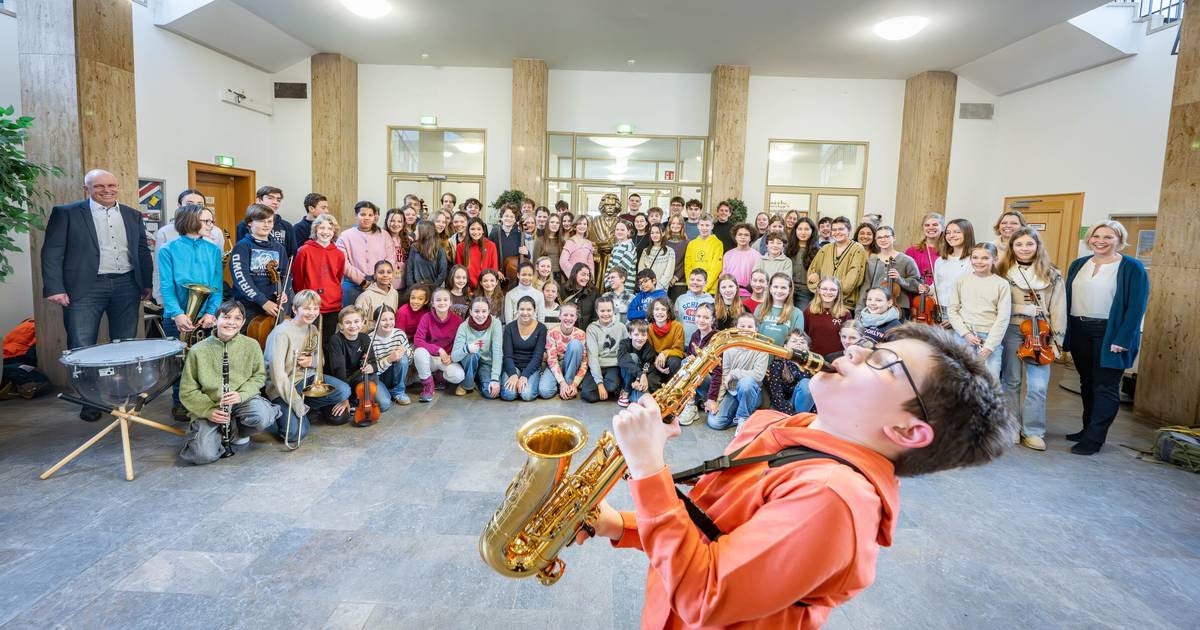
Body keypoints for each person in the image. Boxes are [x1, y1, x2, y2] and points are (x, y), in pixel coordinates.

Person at [580, 322, 1012, 628]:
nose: (856, 350)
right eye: (871, 343)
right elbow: (712, 530)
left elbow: (705, 592)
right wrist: (621, 525)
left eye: (882, 362)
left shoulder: (833, 498)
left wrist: (649, 469)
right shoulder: (785, 426)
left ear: (907, 431)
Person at [41, 170, 155, 386]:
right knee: (82, 345)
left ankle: (120, 391)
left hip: (127, 285)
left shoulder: (132, 215)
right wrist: (55, 287)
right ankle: (88, 398)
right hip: (85, 288)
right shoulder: (67, 213)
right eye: (99, 186)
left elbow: (141, 250)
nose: (107, 190)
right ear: (87, 189)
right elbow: (52, 252)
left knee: (125, 343)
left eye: (112, 185)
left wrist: (146, 283)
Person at [1063, 221, 1149, 456]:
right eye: (1096, 236)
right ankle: (1086, 429)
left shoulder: (1131, 267)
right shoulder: (1079, 264)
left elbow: (1136, 307)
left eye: (1108, 237)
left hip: (1110, 333)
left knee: (1105, 385)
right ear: (1089, 238)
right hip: (1079, 328)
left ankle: (1095, 438)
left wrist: (1123, 338)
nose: (1100, 241)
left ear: (1119, 240)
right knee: (1087, 382)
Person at [178, 301, 278, 464]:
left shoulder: (251, 345)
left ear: (243, 322)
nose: (232, 322)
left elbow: (259, 377)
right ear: (216, 320)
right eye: (226, 317)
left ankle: (234, 432)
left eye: (237, 318)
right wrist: (208, 410)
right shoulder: (198, 350)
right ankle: (217, 433)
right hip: (211, 404)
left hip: (240, 400)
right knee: (202, 455)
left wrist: (241, 395)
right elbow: (187, 390)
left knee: (263, 415)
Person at [998, 227, 1066, 452]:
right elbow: (996, 303)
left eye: (1029, 244)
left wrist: (1057, 341)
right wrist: (1022, 308)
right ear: (1012, 247)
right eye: (1019, 244)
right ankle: (1011, 427)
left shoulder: (1052, 273)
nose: (1024, 249)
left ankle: (1034, 431)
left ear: (1037, 246)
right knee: (1011, 382)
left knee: (1037, 385)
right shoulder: (1002, 271)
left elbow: (1058, 308)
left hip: (1041, 332)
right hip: (1011, 330)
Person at [158, 204, 223, 418]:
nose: (211, 225)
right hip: (177, 316)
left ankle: (204, 400)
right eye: (206, 221)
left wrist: (212, 312)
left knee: (204, 361)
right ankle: (180, 403)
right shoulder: (168, 249)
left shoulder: (213, 249)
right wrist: (177, 313)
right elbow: (166, 286)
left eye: (211, 221)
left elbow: (216, 284)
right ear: (189, 221)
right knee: (180, 363)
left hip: (205, 316)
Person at [265, 290, 352, 442]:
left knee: (344, 390)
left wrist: (311, 362)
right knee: (294, 434)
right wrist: (296, 403)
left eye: (315, 308)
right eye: (306, 308)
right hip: (282, 387)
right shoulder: (281, 333)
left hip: (306, 380)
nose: (312, 313)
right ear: (294, 309)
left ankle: (307, 405)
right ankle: (286, 409)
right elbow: (278, 376)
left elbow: (321, 361)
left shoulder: (313, 329)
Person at [946, 243, 1010, 379]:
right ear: (970, 259)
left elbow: (1003, 318)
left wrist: (989, 347)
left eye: (985, 258)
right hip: (964, 337)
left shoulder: (1002, 284)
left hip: (990, 339)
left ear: (995, 260)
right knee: (962, 381)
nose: (979, 262)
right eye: (975, 257)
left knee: (990, 381)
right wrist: (965, 334)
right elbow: (952, 310)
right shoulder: (961, 280)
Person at [152, 189, 224, 305]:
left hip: (205, 301)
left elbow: (217, 272)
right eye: (189, 204)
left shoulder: (215, 232)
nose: (195, 208)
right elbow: (159, 271)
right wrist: (160, 298)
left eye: (200, 205)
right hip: (177, 300)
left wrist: (212, 309)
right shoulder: (165, 234)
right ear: (179, 206)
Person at [705, 312, 770, 432]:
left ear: (756, 329)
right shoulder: (729, 347)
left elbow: (759, 375)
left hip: (751, 391)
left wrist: (734, 373)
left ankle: (743, 418)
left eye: (750, 327)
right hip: (732, 392)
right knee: (714, 422)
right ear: (736, 328)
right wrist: (717, 401)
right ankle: (741, 415)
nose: (746, 330)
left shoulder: (762, 348)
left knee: (746, 383)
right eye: (742, 326)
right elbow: (724, 375)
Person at [291, 214, 346, 349]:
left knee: (327, 342)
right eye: (322, 228)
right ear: (315, 230)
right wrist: (304, 299)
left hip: (332, 305)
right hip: (310, 305)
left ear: (334, 232)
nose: (326, 232)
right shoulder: (304, 251)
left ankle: (324, 370)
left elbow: (338, 277)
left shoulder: (339, 254)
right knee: (308, 341)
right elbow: (297, 279)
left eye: (329, 228)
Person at [230, 204, 290, 325]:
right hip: (248, 306)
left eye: (269, 221)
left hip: (274, 305)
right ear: (250, 223)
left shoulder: (279, 248)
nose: (267, 225)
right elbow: (242, 279)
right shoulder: (242, 247)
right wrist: (262, 301)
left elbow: (285, 275)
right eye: (262, 221)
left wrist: (284, 292)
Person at [326, 305, 385, 418]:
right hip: (341, 381)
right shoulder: (336, 340)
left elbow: (373, 362)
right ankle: (353, 400)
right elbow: (339, 369)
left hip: (359, 380)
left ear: (363, 322)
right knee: (339, 418)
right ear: (341, 325)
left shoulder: (365, 338)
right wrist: (344, 397)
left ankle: (358, 401)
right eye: (348, 322)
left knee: (384, 404)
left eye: (356, 321)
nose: (353, 326)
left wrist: (372, 367)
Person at [413, 288, 467, 402]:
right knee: (419, 352)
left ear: (450, 303)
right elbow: (418, 340)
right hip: (431, 358)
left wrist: (452, 357)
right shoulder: (426, 317)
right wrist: (439, 350)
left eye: (445, 300)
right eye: (438, 300)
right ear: (433, 303)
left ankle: (440, 376)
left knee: (458, 376)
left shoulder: (457, 321)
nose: (442, 302)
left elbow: (461, 343)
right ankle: (428, 386)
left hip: (447, 359)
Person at [858, 226, 920, 320]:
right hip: (874, 309)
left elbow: (918, 286)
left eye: (887, 236)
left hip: (899, 309)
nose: (883, 240)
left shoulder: (907, 260)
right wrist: (859, 312)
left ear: (894, 238)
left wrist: (900, 279)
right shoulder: (872, 261)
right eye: (880, 237)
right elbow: (865, 286)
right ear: (875, 239)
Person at [807, 216, 867, 310]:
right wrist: (823, 292)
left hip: (845, 304)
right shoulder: (825, 249)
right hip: (822, 303)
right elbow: (812, 273)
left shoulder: (857, 249)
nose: (837, 232)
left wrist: (830, 293)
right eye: (834, 229)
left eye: (841, 229)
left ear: (849, 230)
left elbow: (853, 278)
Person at [337, 201, 390, 306]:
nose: (367, 218)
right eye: (363, 214)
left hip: (378, 282)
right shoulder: (345, 236)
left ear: (374, 216)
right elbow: (343, 262)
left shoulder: (384, 235)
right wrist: (361, 281)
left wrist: (380, 277)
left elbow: (390, 258)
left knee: (377, 317)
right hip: (352, 284)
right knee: (351, 317)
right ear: (356, 216)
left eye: (370, 215)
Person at [451, 296, 504, 399]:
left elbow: (497, 352)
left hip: (487, 364)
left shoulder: (496, 324)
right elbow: (454, 356)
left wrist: (494, 379)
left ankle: (479, 380)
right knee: (472, 354)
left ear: (489, 311)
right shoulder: (463, 327)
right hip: (469, 363)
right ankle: (468, 384)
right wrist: (466, 349)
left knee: (493, 393)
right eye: (476, 311)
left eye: (484, 311)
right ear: (470, 312)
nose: (480, 315)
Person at [675, 302, 717, 427]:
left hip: (709, 383)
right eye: (698, 316)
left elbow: (719, 370)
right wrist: (691, 359)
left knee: (696, 368)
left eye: (706, 317)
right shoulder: (695, 335)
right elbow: (689, 355)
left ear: (713, 319)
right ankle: (691, 403)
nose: (701, 320)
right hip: (696, 383)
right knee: (686, 362)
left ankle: (691, 405)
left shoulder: (716, 338)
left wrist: (712, 398)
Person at [581, 297, 627, 403]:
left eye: (609, 310)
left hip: (614, 366)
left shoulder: (621, 327)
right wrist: (599, 383)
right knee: (587, 395)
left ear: (613, 311)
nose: (606, 314)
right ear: (597, 311)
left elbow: (626, 351)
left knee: (611, 387)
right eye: (602, 311)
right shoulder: (592, 328)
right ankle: (608, 391)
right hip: (598, 365)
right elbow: (592, 356)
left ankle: (614, 387)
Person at [537, 302, 587, 400]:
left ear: (576, 318)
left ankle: (569, 385)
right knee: (544, 392)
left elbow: (584, 362)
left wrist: (574, 384)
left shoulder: (581, 334)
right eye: (565, 315)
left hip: (573, 366)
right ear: (559, 316)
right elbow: (552, 360)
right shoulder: (552, 333)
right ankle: (563, 386)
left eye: (572, 315)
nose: (568, 318)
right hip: (556, 365)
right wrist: (562, 383)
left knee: (575, 344)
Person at [501, 296, 547, 402]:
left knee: (527, 395)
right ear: (517, 310)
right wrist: (513, 374)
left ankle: (530, 382)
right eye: (522, 309)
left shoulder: (541, 328)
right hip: (514, 366)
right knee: (508, 395)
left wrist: (525, 376)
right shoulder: (509, 328)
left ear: (534, 311)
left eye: (529, 309)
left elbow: (538, 356)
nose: (525, 313)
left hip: (531, 367)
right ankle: (514, 384)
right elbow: (507, 355)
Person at [235, 186, 297, 257]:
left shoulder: (287, 226)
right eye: (270, 198)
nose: (275, 202)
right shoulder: (245, 224)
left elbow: (292, 253)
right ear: (259, 200)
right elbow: (241, 252)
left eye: (278, 200)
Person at [933, 218, 975, 322]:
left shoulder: (973, 260)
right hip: (937, 309)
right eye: (948, 232)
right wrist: (927, 289)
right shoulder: (940, 260)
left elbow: (973, 293)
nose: (951, 236)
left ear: (967, 234)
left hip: (959, 312)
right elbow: (936, 285)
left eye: (957, 232)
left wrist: (956, 318)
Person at [369, 304, 412, 406]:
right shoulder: (370, 340)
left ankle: (398, 392)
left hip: (394, 373)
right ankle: (385, 392)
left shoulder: (399, 334)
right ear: (376, 322)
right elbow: (372, 369)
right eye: (383, 320)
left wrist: (405, 350)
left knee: (403, 359)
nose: (388, 323)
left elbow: (410, 359)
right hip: (378, 377)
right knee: (384, 404)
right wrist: (389, 359)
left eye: (391, 319)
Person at [766, 329, 816, 414]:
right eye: (794, 341)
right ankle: (797, 419)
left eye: (802, 342)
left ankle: (801, 418)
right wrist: (791, 413)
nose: (798, 343)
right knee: (806, 383)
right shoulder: (778, 363)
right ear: (785, 346)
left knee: (807, 383)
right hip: (784, 407)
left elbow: (816, 395)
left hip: (805, 409)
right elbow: (776, 395)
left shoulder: (813, 367)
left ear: (808, 348)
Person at [805, 277, 854, 357]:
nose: (828, 292)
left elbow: (848, 340)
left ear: (838, 292)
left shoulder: (845, 314)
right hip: (812, 358)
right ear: (818, 290)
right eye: (824, 289)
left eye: (833, 290)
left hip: (835, 359)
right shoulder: (809, 311)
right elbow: (804, 335)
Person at [755, 273, 806, 346]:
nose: (779, 291)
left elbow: (797, 343)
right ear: (770, 288)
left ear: (789, 290)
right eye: (775, 287)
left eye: (783, 288)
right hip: (759, 355)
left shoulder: (797, 313)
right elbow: (753, 334)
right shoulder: (759, 308)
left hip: (782, 356)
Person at [618, 320, 659, 408]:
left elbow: (647, 365)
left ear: (647, 336)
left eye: (643, 335)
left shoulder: (649, 348)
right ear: (630, 335)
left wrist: (638, 380)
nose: (640, 338)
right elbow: (622, 360)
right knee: (633, 357)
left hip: (638, 378)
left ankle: (634, 393)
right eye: (636, 334)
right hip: (626, 375)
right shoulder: (624, 344)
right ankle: (625, 391)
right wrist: (640, 375)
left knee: (639, 400)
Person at [646, 296, 685, 385]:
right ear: (652, 312)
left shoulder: (677, 326)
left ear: (668, 312)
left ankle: (674, 385)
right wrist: (656, 362)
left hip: (672, 361)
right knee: (651, 382)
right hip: (656, 362)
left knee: (674, 361)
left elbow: (679, 351)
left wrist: (664, 353)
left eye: (663, 309)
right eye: (657, 309)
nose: (660, 312)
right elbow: (649, 352)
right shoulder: (649, 329)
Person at [905, 212, 944, 296]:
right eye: (927, 225)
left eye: (935, 224)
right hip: (917, 297)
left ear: (943, 228)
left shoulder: (948, 252)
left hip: (940, 298)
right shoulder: (911, 251)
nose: (931, 228)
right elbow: (907, 279)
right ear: (923, 228)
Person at [684, 214, 724, 294]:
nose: (704, 228)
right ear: (698, 226)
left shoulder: (718, 244)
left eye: (707, 225)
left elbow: (716, 268)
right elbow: (688, 267)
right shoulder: (692, 244)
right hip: (693, 289)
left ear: (712, 226)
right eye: (702, 225)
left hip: (710, 290)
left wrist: (705, 288)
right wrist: (691, 285)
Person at [354, 260, 399, 330]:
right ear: (375, 275)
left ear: (392, 274)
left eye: (389, 272)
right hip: (369, 335)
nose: (385, 275)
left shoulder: (394, 293)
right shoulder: (365, 296)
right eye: (381, 272)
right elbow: (357, 322)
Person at [788, 217, 821, 310]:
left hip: (806, 291)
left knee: (802, 316)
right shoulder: (788, 248)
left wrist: (817, 275)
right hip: (788, 289)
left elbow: (822, 270)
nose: (803, 232)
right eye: (800, 229)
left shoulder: (818, 251)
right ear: (795, 230)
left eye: (806, 229)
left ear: (812, 231)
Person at [673, 269, 716, 340]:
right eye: (692, 279)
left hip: (701, 343)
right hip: (681, 342)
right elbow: (675, 321)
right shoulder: (680, 299)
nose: (695, 282)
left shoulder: (711, 301)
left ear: (705, 283)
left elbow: (713, 324)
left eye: (699, 280)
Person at [457, 217, 498, 289]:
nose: (476, 232)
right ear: (468, 230)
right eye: (472, 229)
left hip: (486, 286)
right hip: (468, 287)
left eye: (479, 229)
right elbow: (459, 269)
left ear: (483, 231)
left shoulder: (491, 245)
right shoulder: (461, 247)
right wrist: (466, 288)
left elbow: (494, 268)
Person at [722, 223, 761, 297]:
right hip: (730, 293)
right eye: (740, 234)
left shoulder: (757, 256)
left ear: (750, 238)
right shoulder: (728, 255)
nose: (743, 237)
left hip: (749, 294)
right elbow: (724, 276)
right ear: (735, 237)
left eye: (746, 235)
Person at [407, 221, 449, 290]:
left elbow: (442, 273)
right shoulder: (414, 247)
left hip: (433, 289)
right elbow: (409, 270)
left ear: (424, 232)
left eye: (417, 230)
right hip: (416, 288)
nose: (414, 232)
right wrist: (411, 288)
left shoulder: (439, 250)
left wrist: (433, 288)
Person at [490, 204, 524, 286]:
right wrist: (495, 270)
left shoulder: (519, 233)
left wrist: (526, 252)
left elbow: (526, 256)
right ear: (501, 217)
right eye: (506, 216)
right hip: (498, 272)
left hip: (513, 274)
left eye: (512, 216)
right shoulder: (494, 232)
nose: (509, 218)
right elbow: (489, 254)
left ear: (515, 219)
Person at [637, 223, 675, 293]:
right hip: (646, 290)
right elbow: (641, 270)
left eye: (657, 232)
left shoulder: (670, 251)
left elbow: (668, 273)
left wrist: (656, 288)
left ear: (663, 233)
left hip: (660, 290)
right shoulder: (645, 251)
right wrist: (645, 286)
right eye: (652, 233)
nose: (654, 235)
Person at [605, 220, 638, 294]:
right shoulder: (616, 246)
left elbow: (622, 269)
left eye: (622, 230)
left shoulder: (630, 247)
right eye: (617, 229)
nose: (619, 232)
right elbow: (610, 266)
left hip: (625, 287)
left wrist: (612, 282)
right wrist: (607, 283)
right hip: (613, 285)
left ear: (628, 232)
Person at [560, 263, 597, 329]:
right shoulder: (563, 290)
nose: (586, 278)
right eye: (583, 274)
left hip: (586, 332)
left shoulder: (593, 292)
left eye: (588, 275)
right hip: (566, 330)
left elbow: (596, 316)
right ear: (574, 274)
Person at [560, 215, 596, 281]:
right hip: (574, 279)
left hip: (585, 279)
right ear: (575, 226)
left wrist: (591, 277)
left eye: (584, 224)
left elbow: (590, 263)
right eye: (579, 224)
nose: (582, 226)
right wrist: (574, 275)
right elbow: (563, 261)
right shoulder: (570, 242)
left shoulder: (588, 243)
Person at [383, 208, 411, 292]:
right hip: (387, 286)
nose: (396, 224)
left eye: (399, 221)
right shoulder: (381, 238)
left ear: (403, 224)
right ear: (386, 221)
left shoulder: (408, 240)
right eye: (392, 220)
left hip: (404, 285)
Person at [665, 215, 690, 300]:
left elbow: (686, 263)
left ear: (682, 226)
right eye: (673, 223)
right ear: (669, 225)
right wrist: (666, 278)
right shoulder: (663, 241)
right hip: (664, 281)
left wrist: (675, 278)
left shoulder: (687, 243)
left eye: (678, 223)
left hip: (679, 283)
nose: (675, 226)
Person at [533, 213, 565, 279]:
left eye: (557, 223)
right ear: (548, 224)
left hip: (559, 276)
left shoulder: (562, 242)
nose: (555, 224)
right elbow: (535, 262)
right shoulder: (540, 241)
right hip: (544, 276)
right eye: (552, 222)